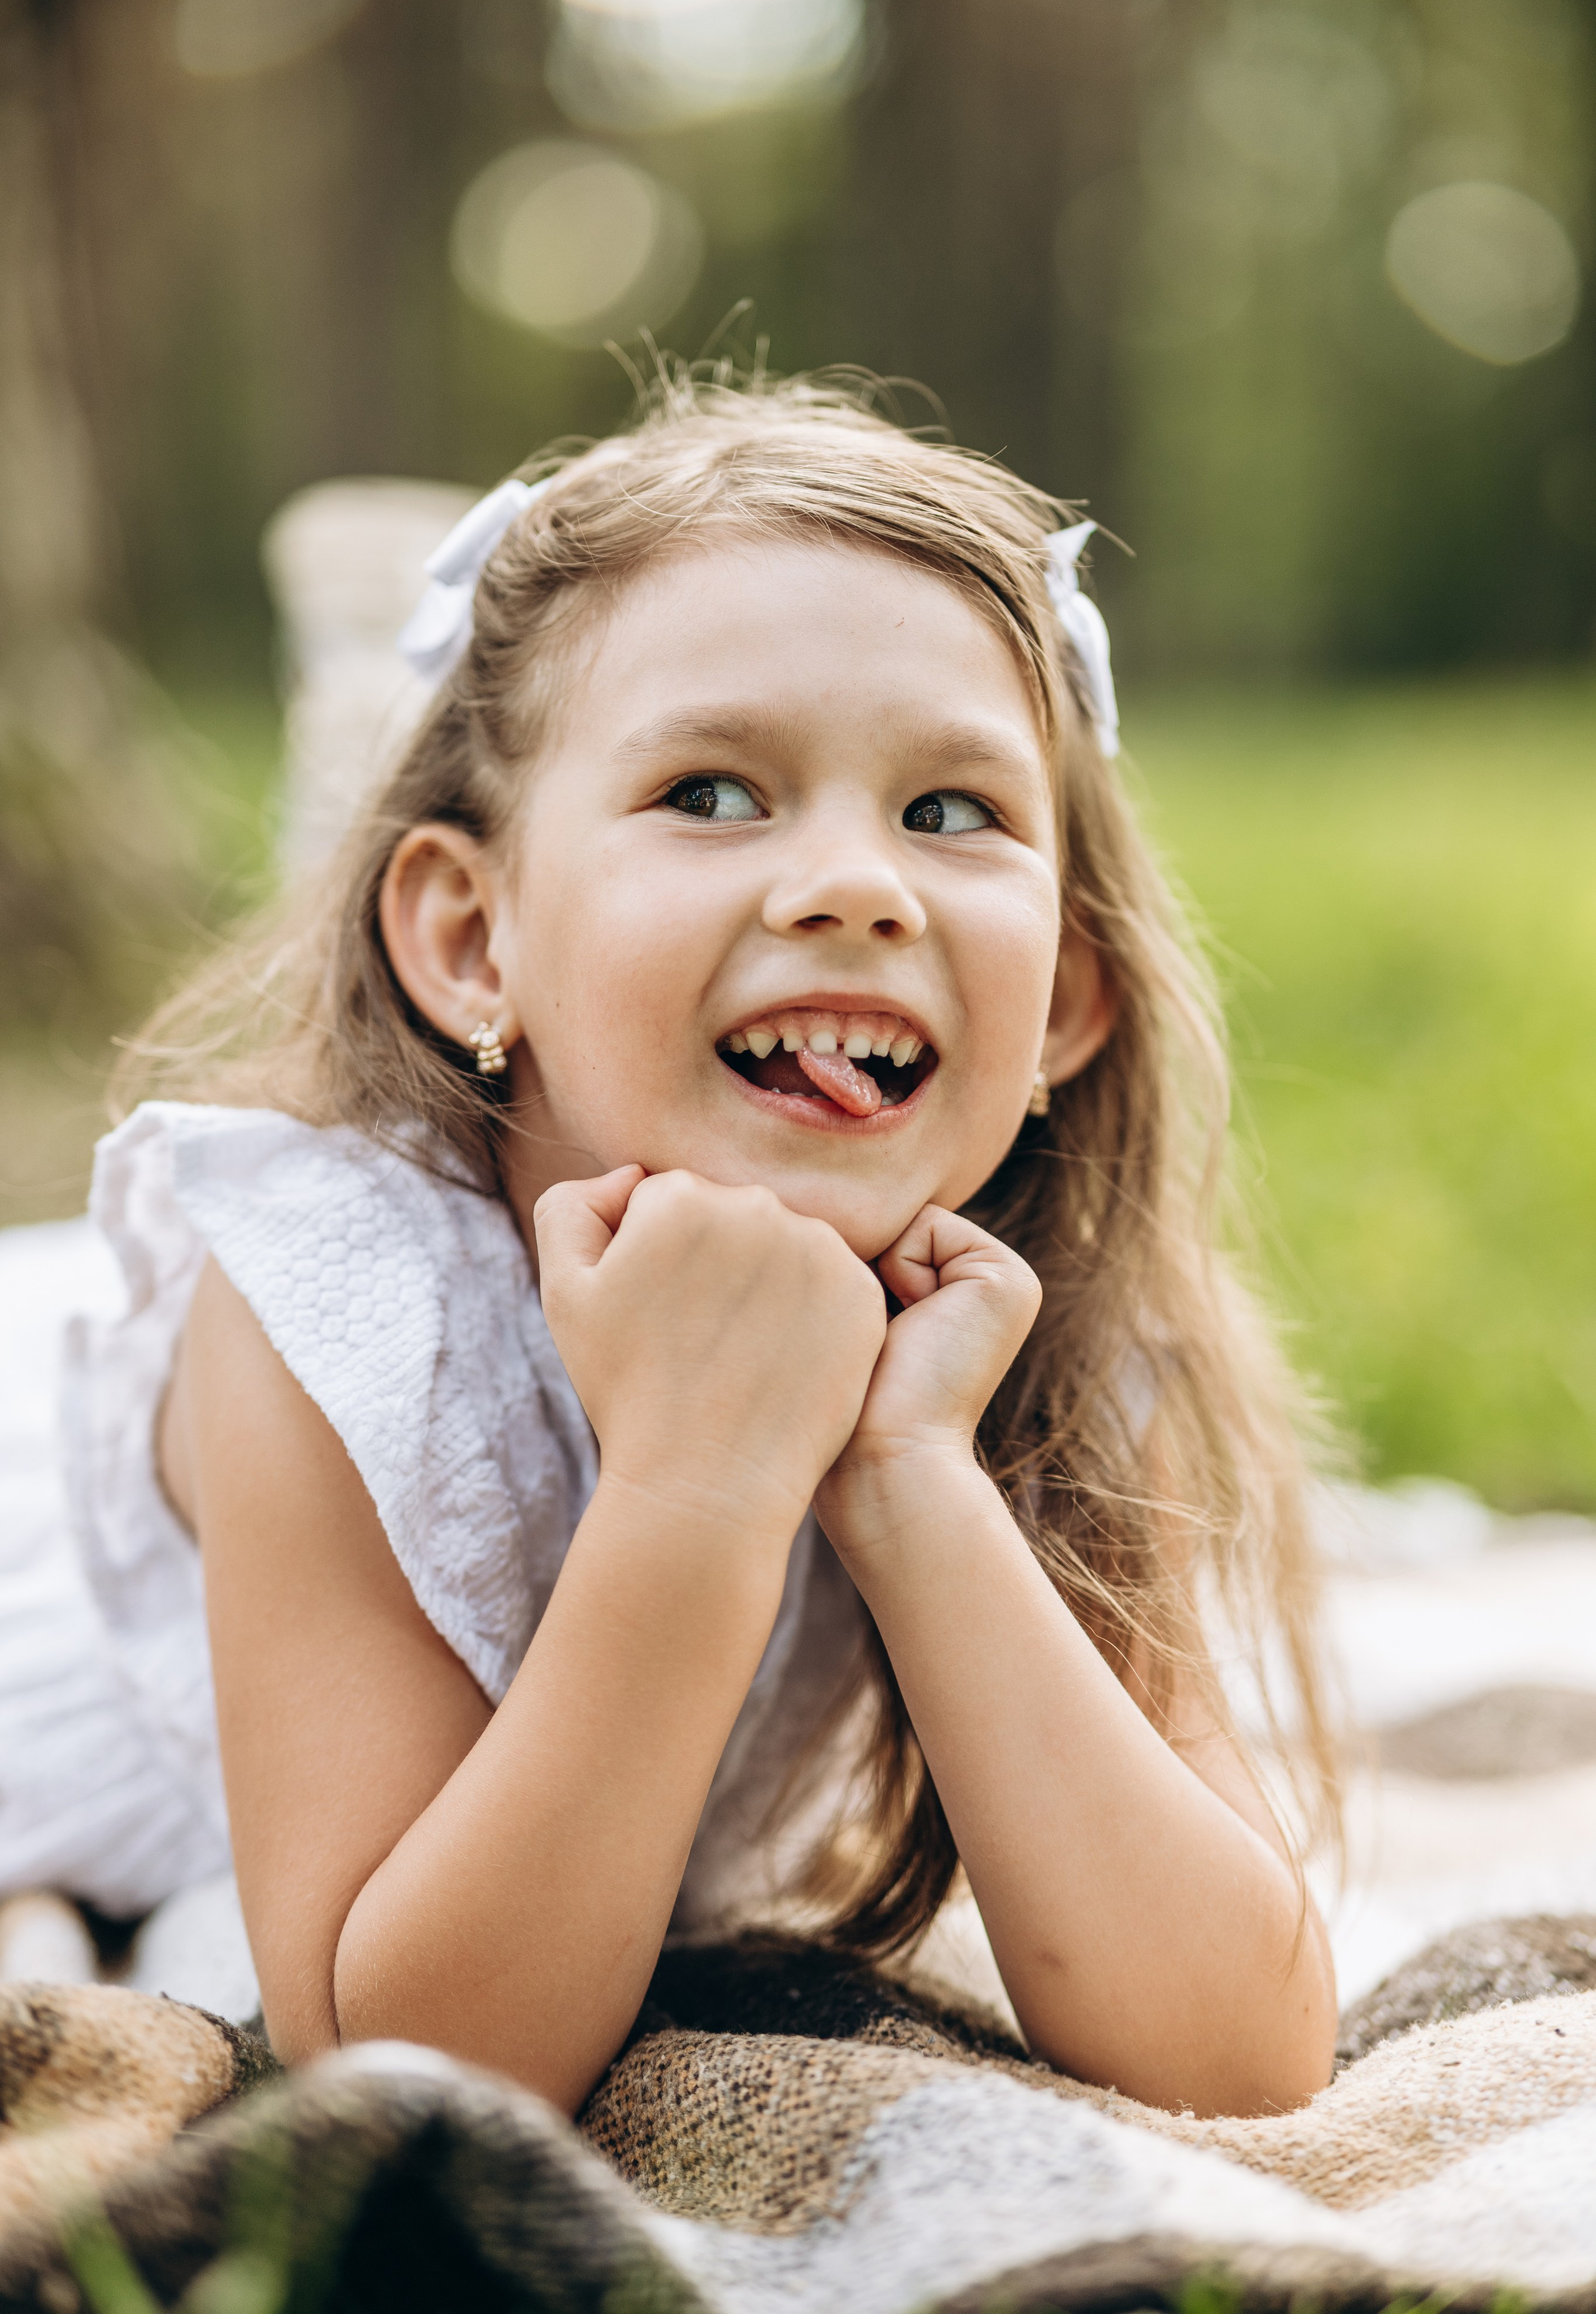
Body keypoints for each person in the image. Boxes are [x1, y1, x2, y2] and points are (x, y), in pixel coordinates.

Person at [1, 369, 1340, 2120]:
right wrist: (699, 1482)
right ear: (471, 944)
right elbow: (415, 2067)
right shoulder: (330, 1299)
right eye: (714, 792)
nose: (856, 885)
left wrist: (910, 1473)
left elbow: (1238, 2052)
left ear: (1068, 1007)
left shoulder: (1036, 1334)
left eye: (954, 813)